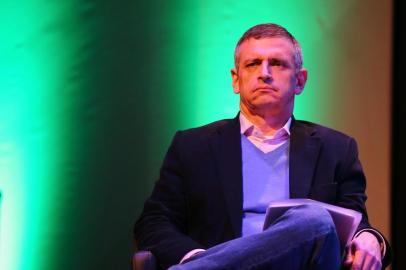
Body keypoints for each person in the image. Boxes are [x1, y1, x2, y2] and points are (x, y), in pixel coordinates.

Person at [134, 23, 392, 269]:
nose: (264, 73)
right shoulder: (193, 146)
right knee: (315, 218)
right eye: (253, 64)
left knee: (315, 219)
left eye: (277, 64)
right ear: (236, 80)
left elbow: (356, 221)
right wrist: (198, 257)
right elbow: (154, 222)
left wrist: (370, 237)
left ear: (300, 81)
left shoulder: (336, 148)